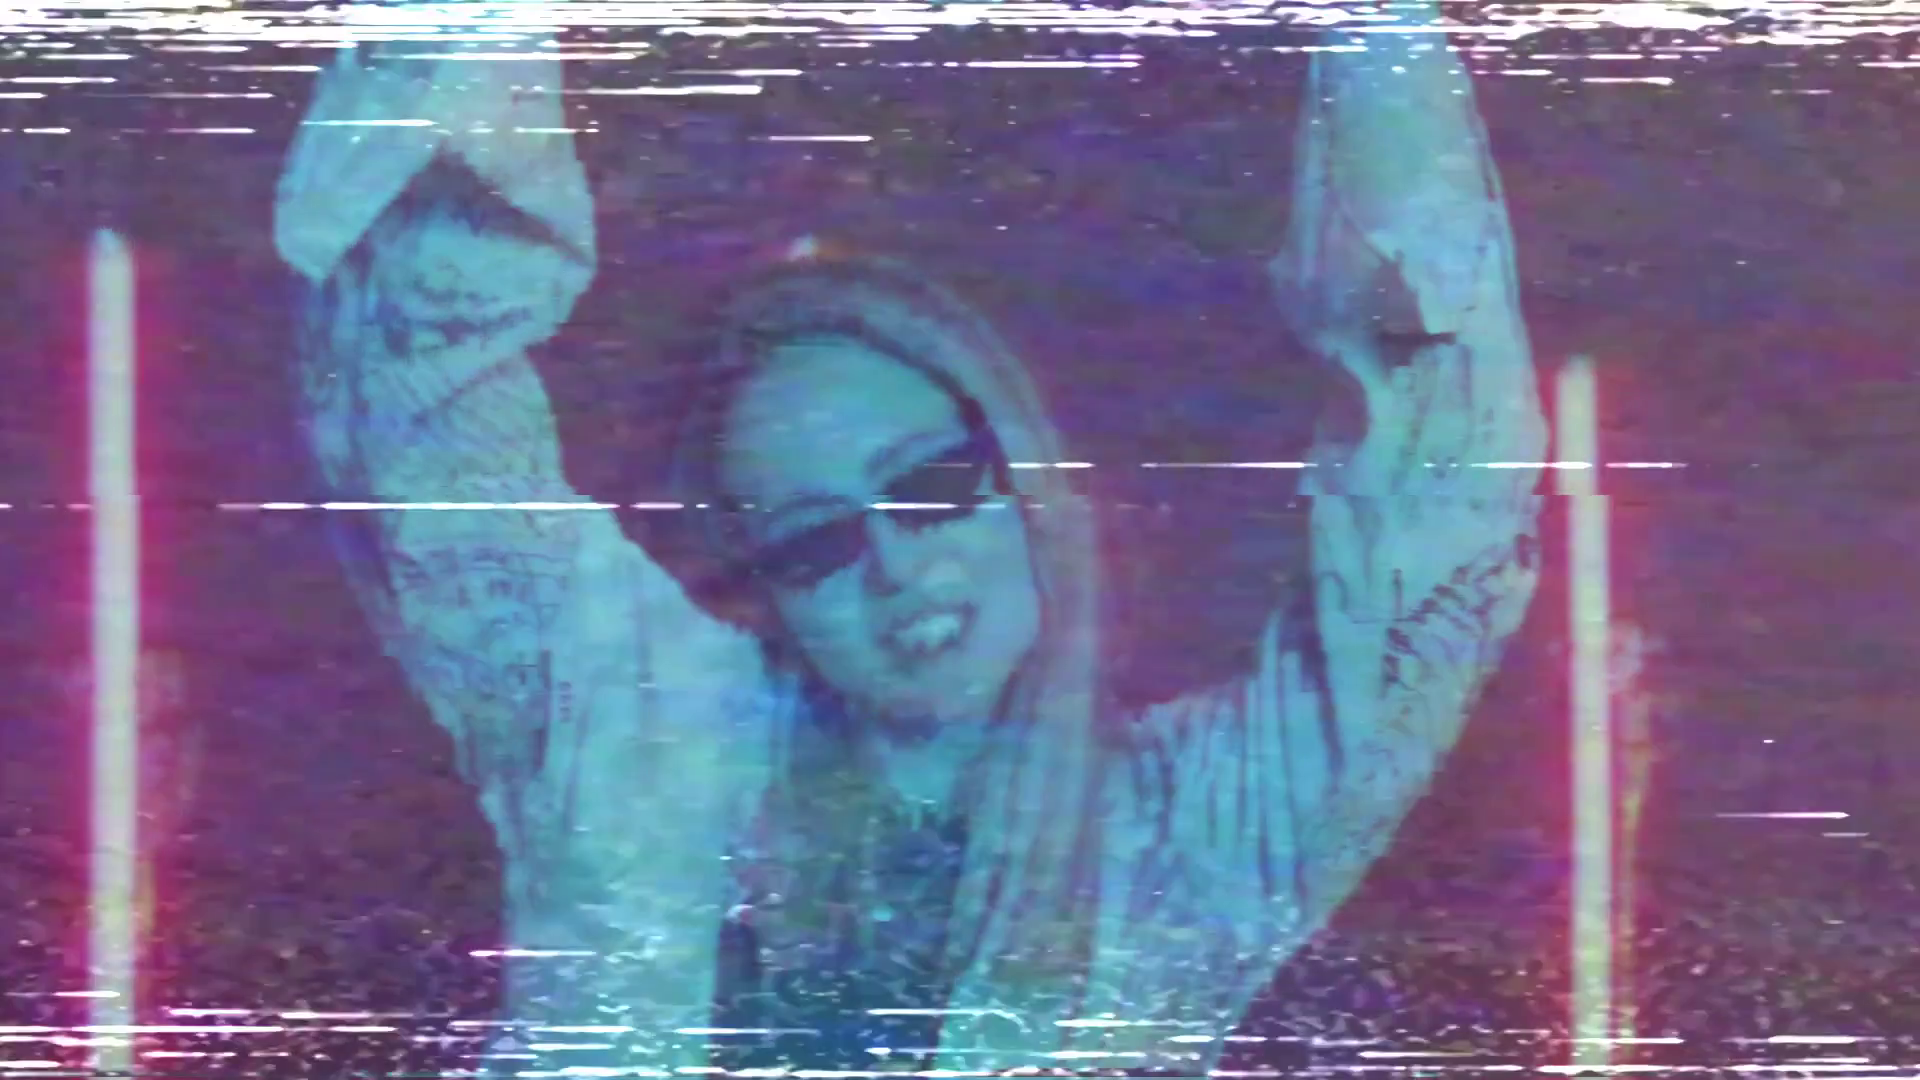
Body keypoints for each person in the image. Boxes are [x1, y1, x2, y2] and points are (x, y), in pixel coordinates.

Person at [274, 4, 1546, 1074]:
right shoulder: (644, 736)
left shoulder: (1199, 827)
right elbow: (425, 425)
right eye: (813, 545)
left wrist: (1380, 34)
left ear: (1024, 475)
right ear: (770, 594)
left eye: (933, 485)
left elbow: (1438, 516)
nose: (893, 564)